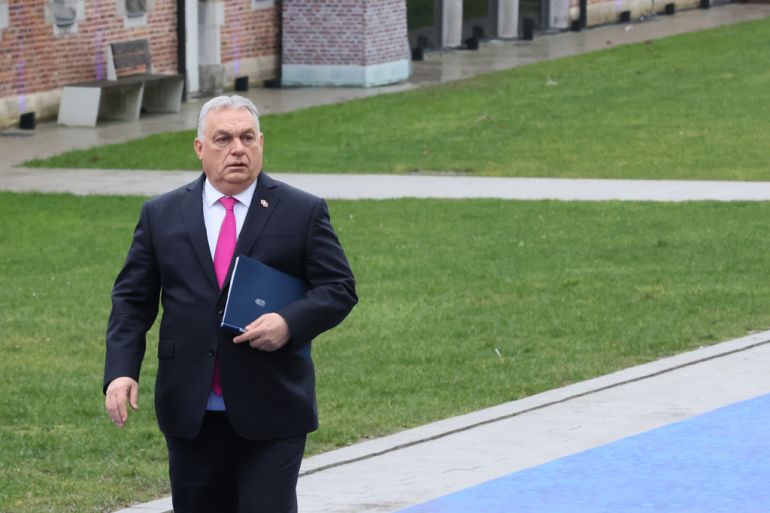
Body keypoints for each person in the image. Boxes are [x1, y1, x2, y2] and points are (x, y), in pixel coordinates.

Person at [103, 95, 357, 513]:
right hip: (191, 411)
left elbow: (339, 287)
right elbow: (132, 300)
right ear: (200, 148)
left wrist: (288, 323)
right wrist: (120, 371)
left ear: (261, 142)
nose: (237, 148)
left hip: (272, 407)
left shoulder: (301, 211)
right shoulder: (161, 214)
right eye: (223, 139)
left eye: (247, 137)